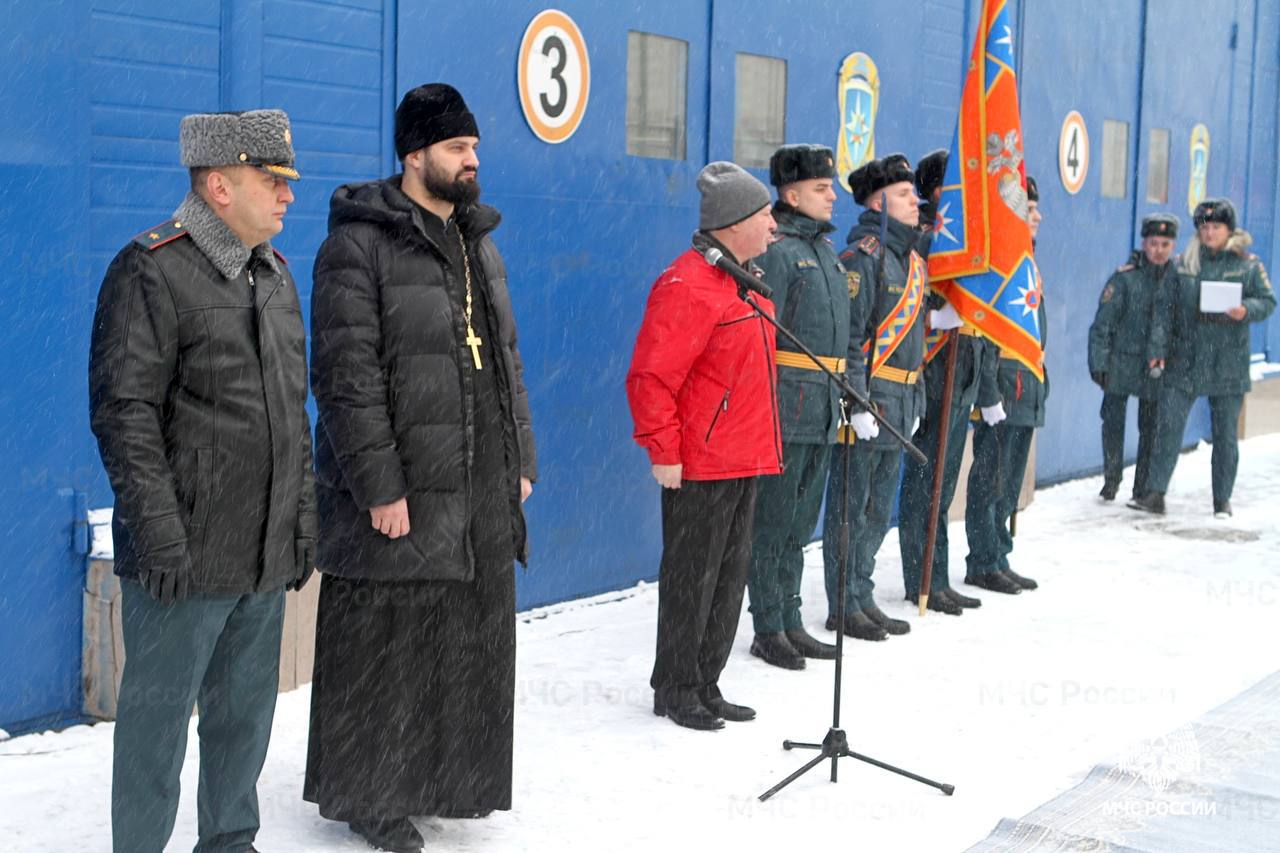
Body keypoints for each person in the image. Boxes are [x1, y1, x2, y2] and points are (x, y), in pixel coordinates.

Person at [304, 83, 536, 853]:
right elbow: (346, 376)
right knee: (387, 646)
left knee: (459, 638)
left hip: (475, 478)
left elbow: (504, 360)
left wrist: (520, 459)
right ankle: (370, 795)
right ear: (414, 156)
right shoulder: (357, 244)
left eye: (473, 149)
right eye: (457, 149)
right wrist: (379, 485)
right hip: (399, 483)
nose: (472, 162)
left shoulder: (478, 243)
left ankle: (438, 779)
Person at [89, 109, 315, 853]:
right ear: (219, 185)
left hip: (260, 551)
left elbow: (292, 414)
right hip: (182, 558)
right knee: (157, 733)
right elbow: (125, 416)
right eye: (271, 179)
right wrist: (160, 536)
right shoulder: (151, 269)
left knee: (243, 719)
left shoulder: (277, 277)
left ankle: (230, 842)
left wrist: (301, 521)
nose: (287, 194)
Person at [626, 161, 782, 730]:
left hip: (745, 457)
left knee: (727, 579)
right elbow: (651, 376)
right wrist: (662, 450)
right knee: (693, 579)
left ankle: (706, 681)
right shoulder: (687, 284)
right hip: (700, 463)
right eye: (765, 215)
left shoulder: (747, 281)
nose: (772, 225)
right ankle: (675, 686)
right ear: (735, 221)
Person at [744, 144, 847, 670]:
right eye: (822, 188)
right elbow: (759, 335)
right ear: (792, 194)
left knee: (801, 524)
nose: (833, 195)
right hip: (785, 409)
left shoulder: (826, 253)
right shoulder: (779, 252)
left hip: (823, 411)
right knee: (773, 522)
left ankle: (790, 618)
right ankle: (767, 626)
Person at [821, 155, 928, 641]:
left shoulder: (912, 262)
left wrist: (918, 400)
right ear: (878, 201)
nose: (916, 202)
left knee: (878, 509)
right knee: (852, 506)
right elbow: (852, 341)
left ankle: (862, 595)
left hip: (900, 405)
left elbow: (916, 345)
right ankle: (842, 604)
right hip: (870, 407)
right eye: (906, 195)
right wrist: (858, 404)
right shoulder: (864, 257)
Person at [897, 149, 1002, 616]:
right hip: (934, 375)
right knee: (927, 482)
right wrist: (935, 319)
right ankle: (921, 577)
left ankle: (936, 575)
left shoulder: (967, 240)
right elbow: (903, 303)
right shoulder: (926, 240)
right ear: (940, 191)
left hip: (962, 376)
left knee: (944, 479)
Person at [1130, 198, 1275, 517]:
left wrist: (1245, 310)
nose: (1209, 233)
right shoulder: (1184, 265)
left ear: (1229, 230)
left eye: (1216, 227)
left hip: (1227, 363)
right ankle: (1155, 493)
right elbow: (1163, 312)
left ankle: (1221, 499)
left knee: (1225, 437)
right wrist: (1157, 351)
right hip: (1186, 360)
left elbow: (1267, 301)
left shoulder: (1246, 265)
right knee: (1167, 429)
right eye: (1204, 227)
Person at [963, 176, 1047, 595]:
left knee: (1009, 480)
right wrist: (990, 391)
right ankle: (982, 558)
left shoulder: (1026, 259)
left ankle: (998, 553)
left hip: (1027, 385)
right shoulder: (1001, 262)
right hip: (1004, 387)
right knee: (990, 478)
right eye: (1030, 212)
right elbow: (988, 337)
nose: (1038, 218)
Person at [1088, 214, 1179, 502]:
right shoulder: (1125, 278)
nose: (1159, 250)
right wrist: (1099, 363)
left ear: (1173, 246)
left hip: (1155, 367)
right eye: (1154, 243)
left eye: (1165, 244)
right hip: (1120, 364)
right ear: (1144, 243)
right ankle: (1111, 479)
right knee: (1112, 423)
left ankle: (1142, 487)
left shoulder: (1178, 281)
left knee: (1150, 429)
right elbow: (1102, 325)